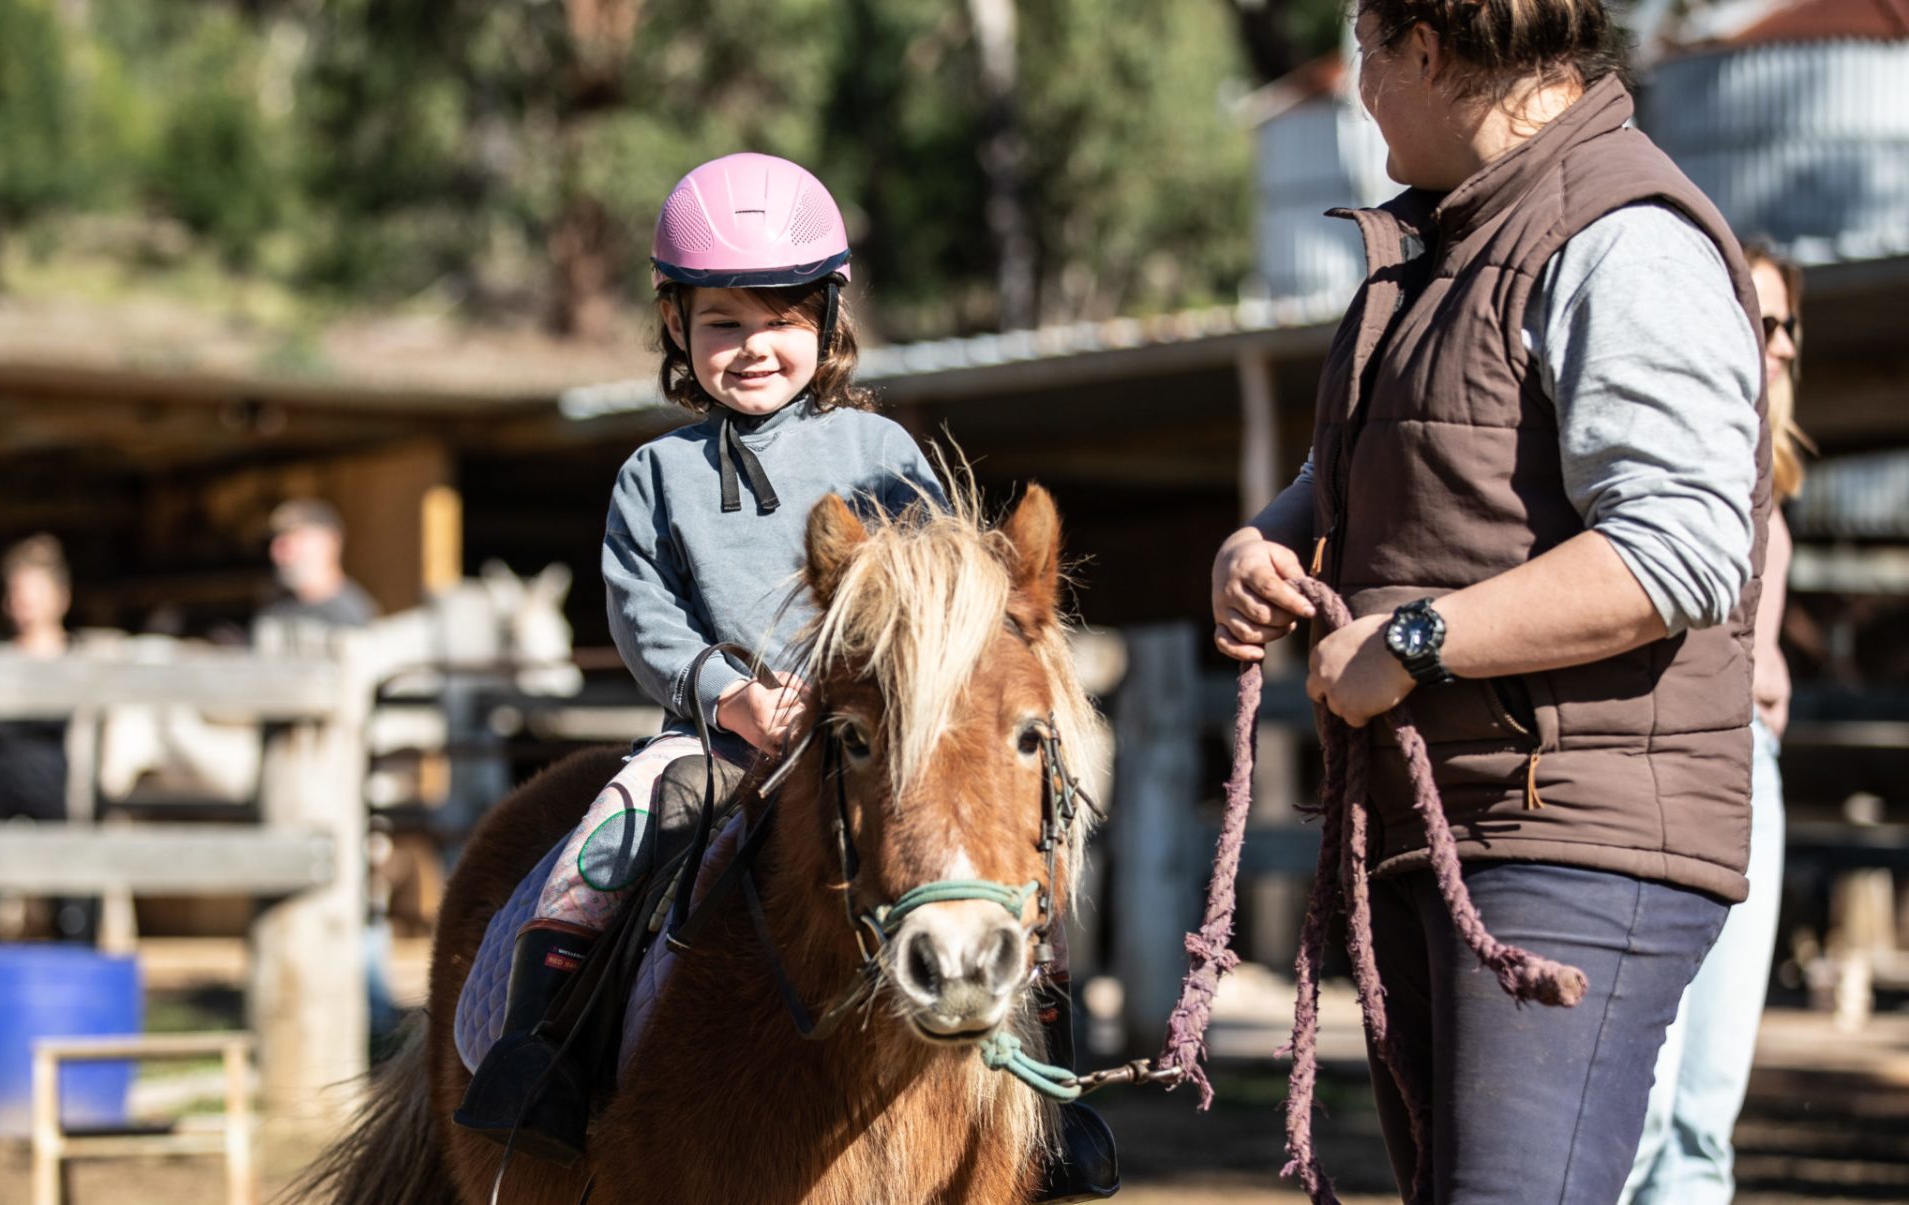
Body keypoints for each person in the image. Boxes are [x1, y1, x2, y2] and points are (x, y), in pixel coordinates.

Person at [451, 151, 1117, 1201]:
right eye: (723, 321)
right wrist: (729, 695)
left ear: (827, 317)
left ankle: (1055, 1098)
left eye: (781, 318)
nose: (753, 347)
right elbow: (640, 610)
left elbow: (935, 595)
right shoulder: (654, 476)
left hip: (877, 724)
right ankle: (543, 1061)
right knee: (613, 830)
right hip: (720, 729)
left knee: (999, 852)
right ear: (676, 324)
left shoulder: (884, 448)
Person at [1210, 3, 1768, 1200]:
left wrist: (1414, 642)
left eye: (1366, 47)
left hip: (1570, 835)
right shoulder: (1449, 242)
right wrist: (1271, 534)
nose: (1358, 87)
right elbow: (1393, 457)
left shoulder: (1623, 235)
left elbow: (1681, 544)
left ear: (1427, 46)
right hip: (1447, 820)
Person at [1624, 244, 1808, 1204]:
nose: (1771, 346)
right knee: (1639, 1107)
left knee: (1704, 1115)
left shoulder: (1769, 479)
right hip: (1679, 769)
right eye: (1755, 320)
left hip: (1754, 769)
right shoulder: (1663, 453)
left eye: (1783, 327)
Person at [0, 534, 96, 945]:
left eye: (33, 593)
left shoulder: (76, 659)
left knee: (66, 886)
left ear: (59, 598)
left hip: (53, 778)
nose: (24, 603)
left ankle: (73, 961)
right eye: (17, 593)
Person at [255, 498, 377, 650]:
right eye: (277, 539)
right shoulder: (274, 613)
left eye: (297, 535)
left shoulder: (351, 615)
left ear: (331, 541)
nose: (282, 551)